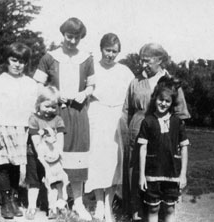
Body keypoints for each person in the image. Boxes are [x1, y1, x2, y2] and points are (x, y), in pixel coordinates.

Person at [32, 17, 95, 221]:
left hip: (78, 113)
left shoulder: (86, 58)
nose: (73, 41)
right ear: (63, 35)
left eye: (77, 37)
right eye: (69, 36)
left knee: (77, 157)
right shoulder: (50, 57)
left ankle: (77, 202)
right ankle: (58, 201)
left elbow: (91, 86)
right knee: (55, 157)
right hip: (55, 115)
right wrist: (55, 95)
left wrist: (84, 94)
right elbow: (38, 84)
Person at [122, 43, 191, 221]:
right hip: (137, 132)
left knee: (160, 176)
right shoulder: (136, 81)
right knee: (137, 173)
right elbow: (127, 110)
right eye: (141, 60)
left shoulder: (170, 82)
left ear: (159, 60)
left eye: (147, 61)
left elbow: (180, 114)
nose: (143, 64)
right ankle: (136, 215)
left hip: (163, 137)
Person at [86, 33, 133, 222]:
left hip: (116, 118)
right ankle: (98, 203)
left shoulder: (124, 71)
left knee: (114, 162)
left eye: (114, 51)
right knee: (97, 160)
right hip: (96, 113)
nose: (110, 55)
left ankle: (109, 205)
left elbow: (133, 93)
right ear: (101, 49)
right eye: (107, 50)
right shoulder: (92, 67)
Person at [0, 42, 37, 219]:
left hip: (22, 129)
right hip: (3, 128)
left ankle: (14, 198)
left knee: (17, 167)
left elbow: (32, 110)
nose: (17, 65)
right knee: (5, 166)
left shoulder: (30, 84)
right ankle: (6, 201)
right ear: (7, 60)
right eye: (14, 60)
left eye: (22, 62)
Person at [138, 77, 189, 222]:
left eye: (167, 101)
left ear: (172, 103)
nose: (163, 103)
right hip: (152, 173)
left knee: (170, 208)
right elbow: (142, 149)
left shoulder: (177, 122)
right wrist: (142, 175)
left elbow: (184, 148)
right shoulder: (148, 121)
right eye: (161, 99)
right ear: (155, 99)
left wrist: (183, 174)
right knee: (153, 208)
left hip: (172, 173)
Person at [25, 86, 69, 220]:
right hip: (36, 155)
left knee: (54, 182)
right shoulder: (33, 119)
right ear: (39, 104)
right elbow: (35, 140)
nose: (50, 110)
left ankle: (53, 207)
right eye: (46, 106)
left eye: (53, 107)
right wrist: (41, 155)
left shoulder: (58, 119)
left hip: (53, 157)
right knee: (34, 182)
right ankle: (31, 206)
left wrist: (58, 153)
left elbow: (60, 136)